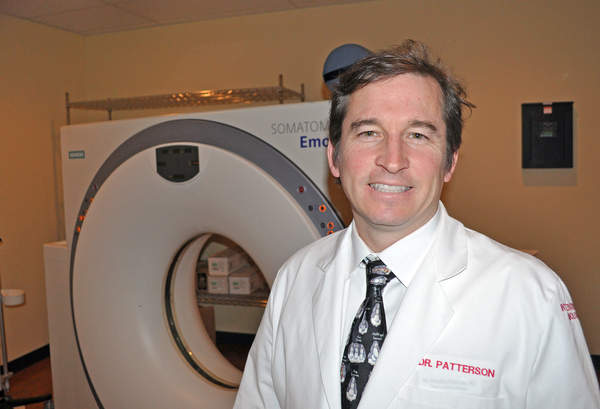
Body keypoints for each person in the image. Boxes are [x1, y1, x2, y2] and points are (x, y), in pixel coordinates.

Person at [233, 40, 600, 409]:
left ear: (450, 162)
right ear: (335, 158)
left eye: (418, 135)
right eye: (369, 132)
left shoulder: (530, 294)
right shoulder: (295, 277)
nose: (393, 161)